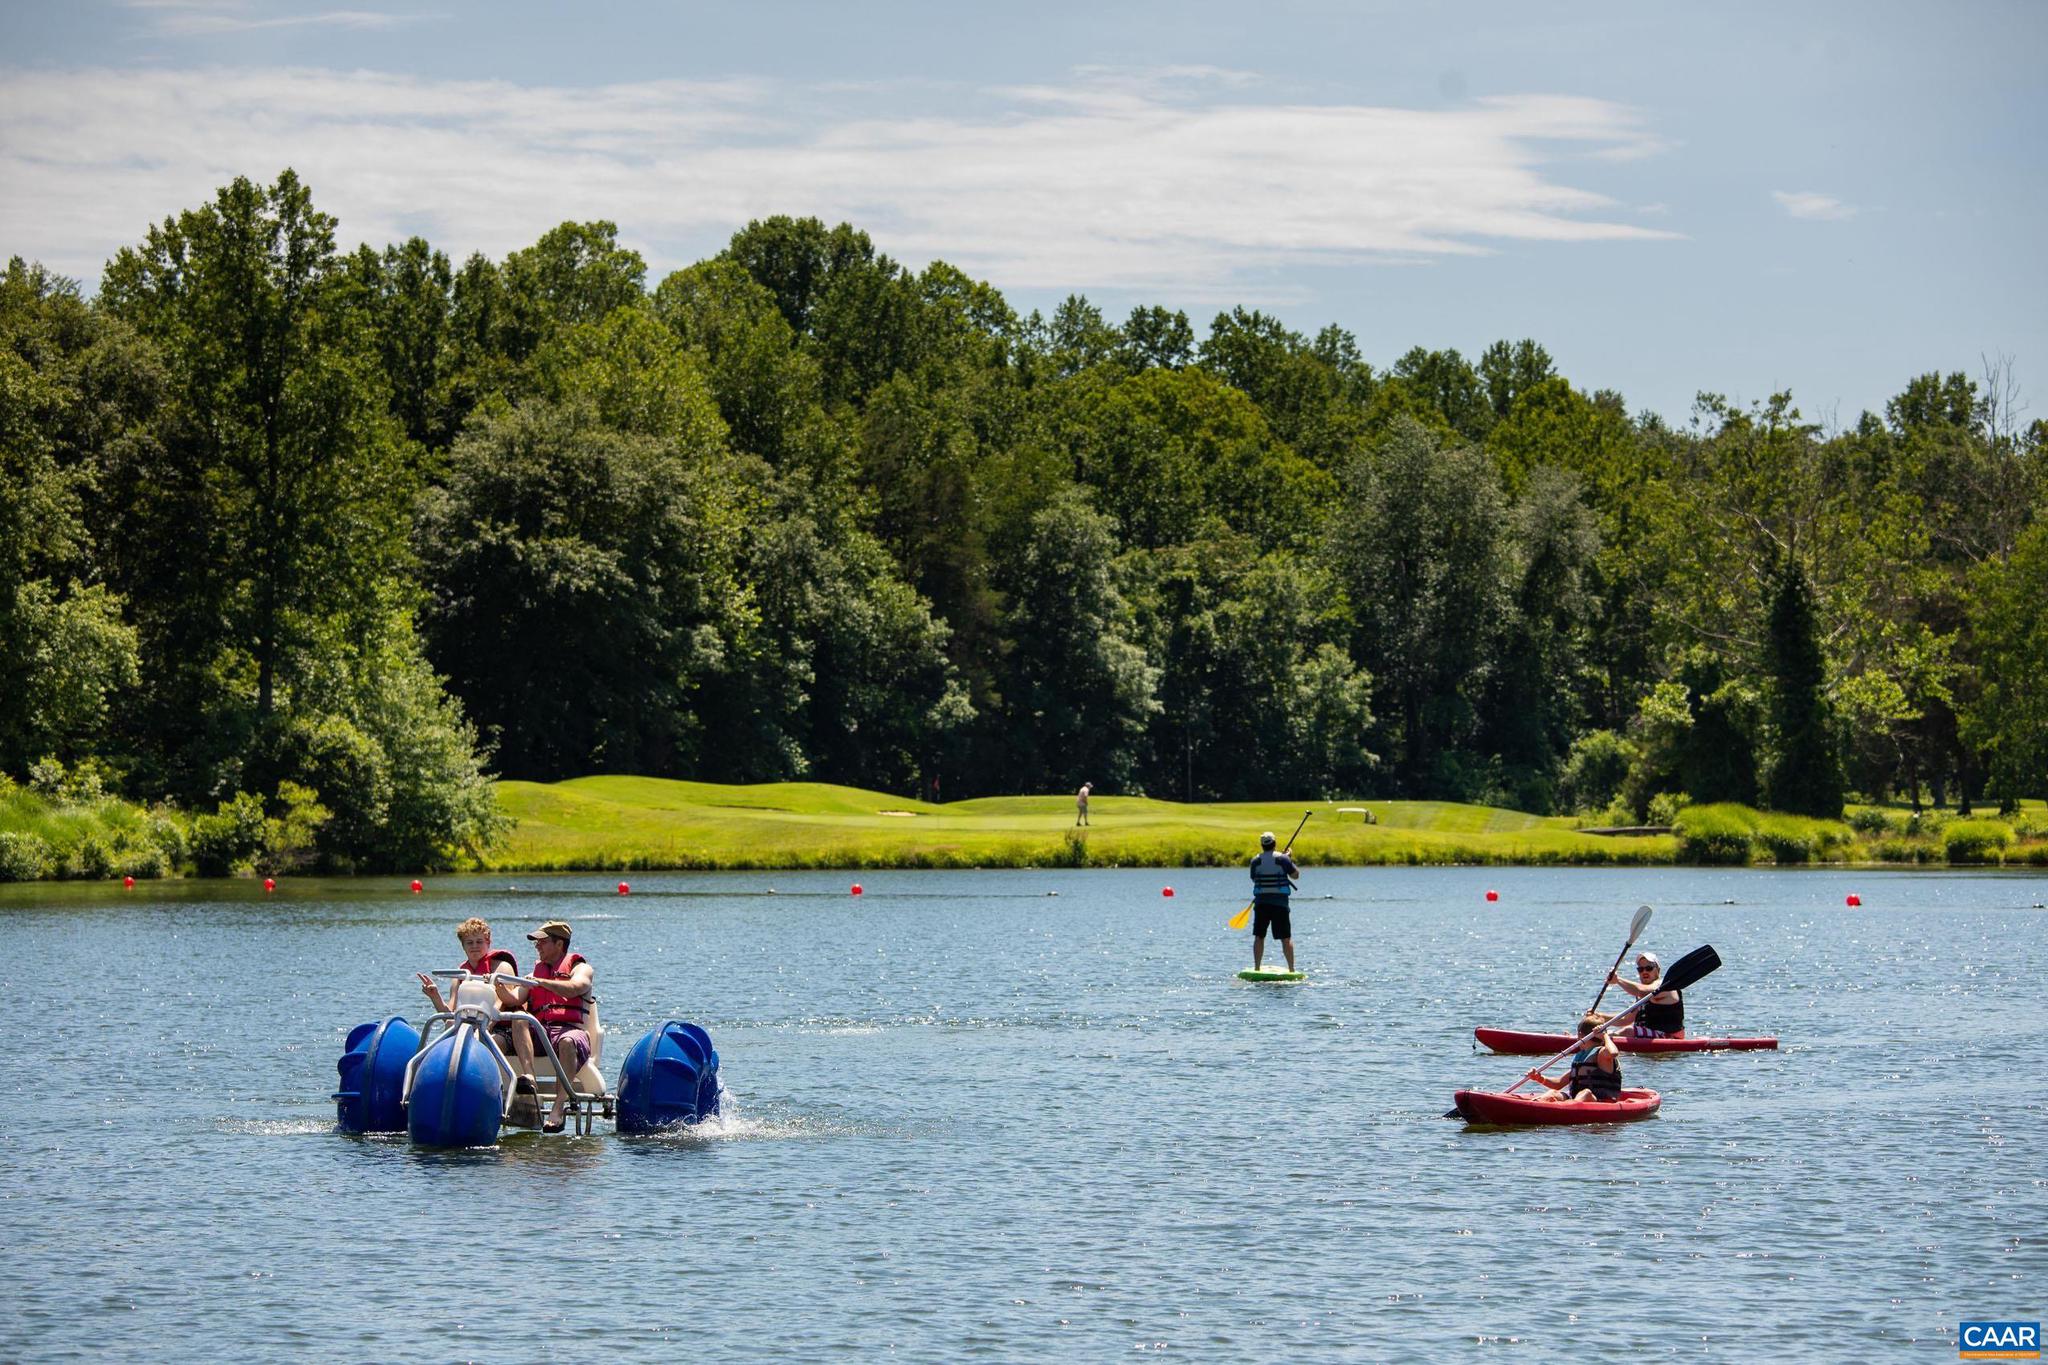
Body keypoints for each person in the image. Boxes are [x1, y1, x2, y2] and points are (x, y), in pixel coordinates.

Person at [416, 918, 537, 1077]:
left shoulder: (501, 967)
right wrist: (435, 996)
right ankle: (437, 1076)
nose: (474, 946)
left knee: (483, 1041)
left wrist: (484, 1028)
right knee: (452, 1025)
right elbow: (450, 1014)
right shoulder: (461, 973)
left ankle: (478, 1083)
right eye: (469, 942)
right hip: (470, 1027)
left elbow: (501, 1002)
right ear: (463, 946)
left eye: (479, 941)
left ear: (488, 942)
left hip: (501, 1029)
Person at [524, 919, 595, 1133]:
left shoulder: (581, 968)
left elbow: (575, 988)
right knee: (518, 1020)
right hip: (541, 1029)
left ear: (559, 944)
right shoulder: (537, 970)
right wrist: (499, 985)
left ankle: (558, 1105)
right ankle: (526, 1089)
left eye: (542, 942)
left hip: (569, 1029)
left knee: (567, 1041)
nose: (537, 946)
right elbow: (516, 996)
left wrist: (540, 982)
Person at [1525, 1014, 1623, 1102]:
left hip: (1599, 1100)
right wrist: (1539, 1078)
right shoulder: (1582, 1057)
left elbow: (1613, 1053)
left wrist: (1605, 1036)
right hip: (1576, 1098)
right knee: (1553, 1093)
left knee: (1586, 1093)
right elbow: (1558, 1084)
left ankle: (1566, 1107)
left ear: (1580, 1034)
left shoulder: (1601, 1053)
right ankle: (1535, 1104)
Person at [1247, 831, 1300, 972]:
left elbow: (1254, 879)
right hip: (1280, 905)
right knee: (1286, 938)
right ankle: (1291, 969)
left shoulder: (1255, 861)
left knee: (1259, 936)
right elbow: (1296, 876)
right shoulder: (1283, 859)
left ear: (1262, 845)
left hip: (1261, 904)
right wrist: (1289, 859)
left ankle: (1257, 968)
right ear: (1274, 843)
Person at [1607, 950, 1685, 1038]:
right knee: (1610, 1031)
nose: (1644, 972)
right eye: (1640, 969)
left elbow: (1641, 990)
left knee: (1627, 1031)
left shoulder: (1663, 985)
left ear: (1658, 970)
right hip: (1649, 1034)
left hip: (1670, 1036)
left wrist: (1618, 980)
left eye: (1649, 968)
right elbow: (1626, 1020)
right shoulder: (1642, 994)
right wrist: (1600, 1017)